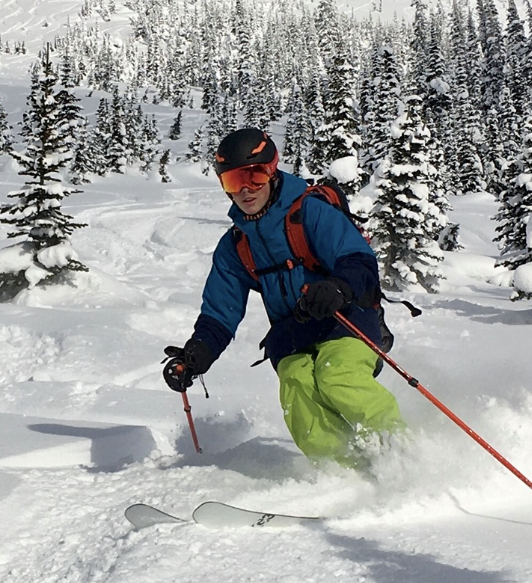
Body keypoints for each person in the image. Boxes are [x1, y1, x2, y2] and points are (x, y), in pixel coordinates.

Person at [165, 126, 405, 464]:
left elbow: (358, 259)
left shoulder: (309, 212)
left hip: (344, 321)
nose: (246, 189)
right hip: (291, 334)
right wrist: (199, 351)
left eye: (255, 176)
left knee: (338, 377)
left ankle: (402, 454)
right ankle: (341, 470)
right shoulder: (236, 246)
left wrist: (337, 287)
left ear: (272, 170)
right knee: (297, 388)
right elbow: (221, 310)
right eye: (234, 181)